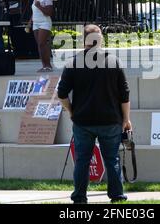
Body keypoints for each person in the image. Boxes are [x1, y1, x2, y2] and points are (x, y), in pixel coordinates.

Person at [57, 24, 132, 204]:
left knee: (82, 160)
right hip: (110, 120)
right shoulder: (114, 62)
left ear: (84, 41)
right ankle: (117, 196)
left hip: (83, 121)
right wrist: (126, 119)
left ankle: (79, 197)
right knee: (111, 158)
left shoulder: (73, 63)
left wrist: (72, 111)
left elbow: (61, 94)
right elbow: (124, 94)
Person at [27, 0, 54, 72]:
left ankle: (48, 65)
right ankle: (44, 65)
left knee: (42, 43)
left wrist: (39, 6)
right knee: (39, 45)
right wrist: (29, 22)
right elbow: (33, 13)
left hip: (44, 23)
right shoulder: (35, 0)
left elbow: (49, 13)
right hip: (36, 23)